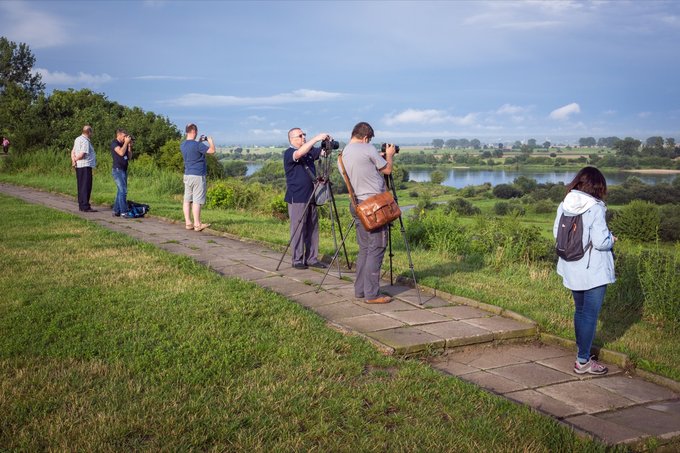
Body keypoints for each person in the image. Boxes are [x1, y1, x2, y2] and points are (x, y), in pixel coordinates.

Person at [553, 166, 616, 375]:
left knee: (580, 311)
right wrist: (612, 239)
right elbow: (600, 242)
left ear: (578, 182)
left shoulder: (564, 204)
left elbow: (556, 233)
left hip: (571, 267)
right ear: (599, 186)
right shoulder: (596, 208)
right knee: (589, 314)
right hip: (593, 270)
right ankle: (583, 361)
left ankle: (582, 353)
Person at [339, 122, 396, 304]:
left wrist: (375, 157)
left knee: (364, 249)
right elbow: (387, 169)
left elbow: (362, 169)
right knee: (377, 248)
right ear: (366, 138)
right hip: (374, 207)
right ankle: (372, 294)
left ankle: (361, 290)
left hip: (357, 205)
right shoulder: (367, 148)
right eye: (369, 140)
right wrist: (389, 155)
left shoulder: (342, 155)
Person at [283, 127, 332, 270]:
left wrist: (326, 145)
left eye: (304, 135)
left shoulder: (309, 152)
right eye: (300, 135)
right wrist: (316, 138)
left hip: (312, 196)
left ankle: (312, 258)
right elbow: (299, 153)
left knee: (312, 228)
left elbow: (323, 153)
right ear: (292, 139)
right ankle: (297, 259)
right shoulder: (289, 153)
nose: (303, 137)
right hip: (297, 197)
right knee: (298, 229)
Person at [180, 123, 214, 232]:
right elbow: (212, 151)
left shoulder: (183, 145)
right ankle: (197, 224)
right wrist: (210, 141)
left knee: (187, 200)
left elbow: (193, 150)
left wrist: (199, 142)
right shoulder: (198, 145)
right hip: (198, 175)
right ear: (194, 131)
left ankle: (188, 223)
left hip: (187, 174)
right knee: (197, 201)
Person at [71, 125, 97, 212]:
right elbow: (82, 154)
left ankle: (81, 205)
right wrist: (76, 159)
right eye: (91, 132)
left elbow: (73, 151)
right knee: (86, 186)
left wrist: (73, 161)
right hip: (85, 165)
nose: (92, 134)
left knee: (81, 186)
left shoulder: (77, 139)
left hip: (79, 166)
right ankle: (85, 206)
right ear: (89, 132)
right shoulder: (85, 141)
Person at [111, 129, 133, 217]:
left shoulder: (124, 144)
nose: (125, 138)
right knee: (123, 191)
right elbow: (120, 152)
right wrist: (125, 143)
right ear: (119, 135)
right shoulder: (114, 143)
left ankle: (116, 210)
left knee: (120, 191)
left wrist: (129, 146)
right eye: (124, 136)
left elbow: (130, 157)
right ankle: (124, 211)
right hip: (117, 170)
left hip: (123, 170)